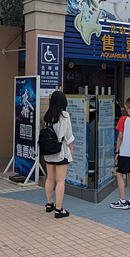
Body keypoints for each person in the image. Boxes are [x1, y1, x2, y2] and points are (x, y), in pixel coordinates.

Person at [42, 90, 74, 219]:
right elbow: (69, 136)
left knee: (50, 178)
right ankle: (59, 209)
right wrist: (71, 151)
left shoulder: (48, 115)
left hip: (49, 151)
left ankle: (49, 203)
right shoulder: (64, 115)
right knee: (60, 180)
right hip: (61, 151)